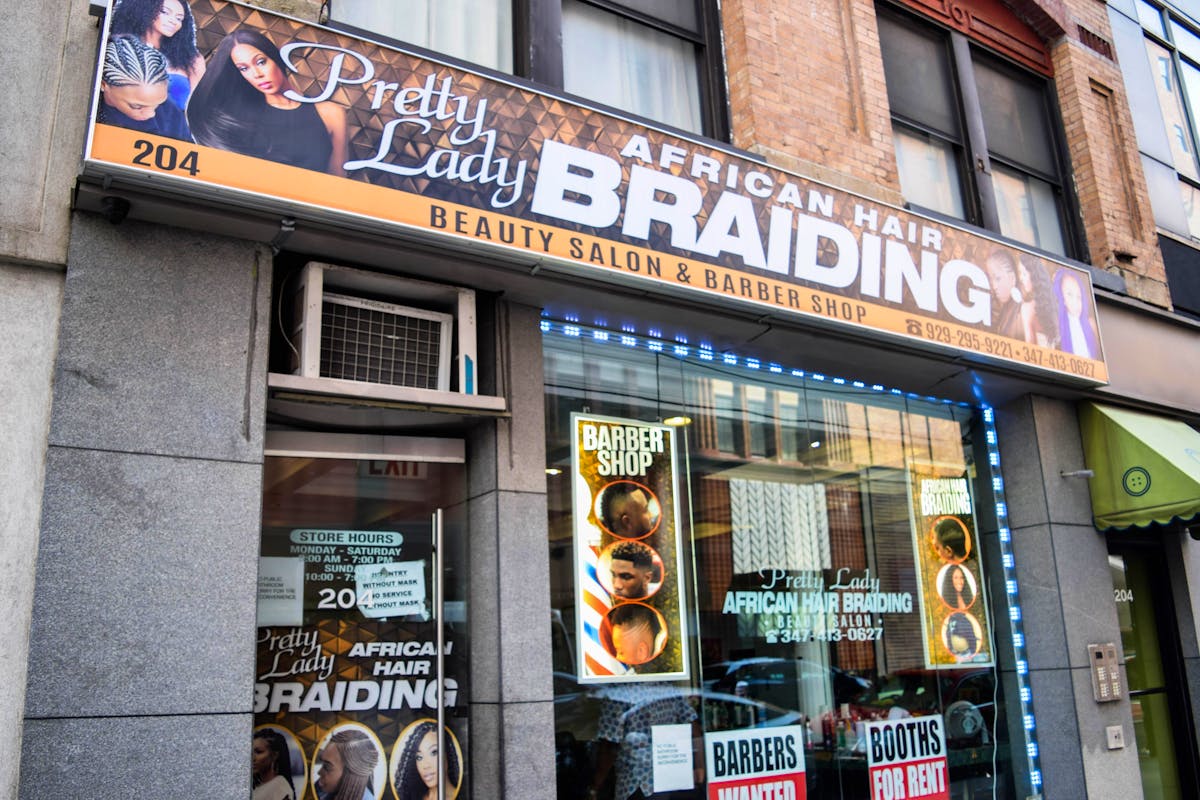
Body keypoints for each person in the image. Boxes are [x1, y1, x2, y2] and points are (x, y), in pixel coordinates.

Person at [187, 29, 347, 175]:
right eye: (244, 68)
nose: (256, 74)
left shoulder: (331, 114)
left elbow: (338, 180)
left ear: (276, 58)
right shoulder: (240, 119)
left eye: (261, 62)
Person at [589, 684, 702, 800]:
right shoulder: (668, 688)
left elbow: (610, 746)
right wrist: (700, 767)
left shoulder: (618, 693)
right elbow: (694, 729)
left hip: (637, 781)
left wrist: (596, 784)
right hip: (669, 776)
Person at [111, 0, 205, 109]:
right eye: (165, 12)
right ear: (144, 10)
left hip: (175, 119)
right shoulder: (122, 47)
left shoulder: (192, 59)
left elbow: (197, 106)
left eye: (179, 18)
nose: (173, 21)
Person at [98, 34, 193, 142]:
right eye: (137, 106)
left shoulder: (171, 114)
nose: (151, 114)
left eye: (158, 104)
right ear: (103, 85)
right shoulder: (88, 106)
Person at [393, 720, 461, 800]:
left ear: (448, 753)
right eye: (419, 757)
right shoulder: (412, 796)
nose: (425, 766)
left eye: (434, 752)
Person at [315, 728, 379, 800]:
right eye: (323, 764)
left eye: (327, 767)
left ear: (351, 773)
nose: (319, 772)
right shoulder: (322, 789)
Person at [1055, 270, 1100, 358]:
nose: (1075, 302)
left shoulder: (1091, 324)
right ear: (1061, 297)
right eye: (1069, 294)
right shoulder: (1058, 328)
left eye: (1079, 296)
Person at [1016, 255, 1059, 348]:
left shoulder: (1027, 309)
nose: (1021, 278)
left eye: (1024, 274)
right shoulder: (1055, 305)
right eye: (1020, 273)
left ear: (1034, 275)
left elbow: (1031, 349)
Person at [985, 250, 1024, 340]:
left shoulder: (1023, 313)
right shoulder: (1006, 310)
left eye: (998, 278)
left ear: (1012, 278)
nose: (994, 286)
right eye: (991, 280)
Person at [252, 729, 297, 800]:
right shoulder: (259, 787)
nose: (252, 758)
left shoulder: (279, 785)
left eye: (259, 752)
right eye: (251, 753)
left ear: (274, 755)